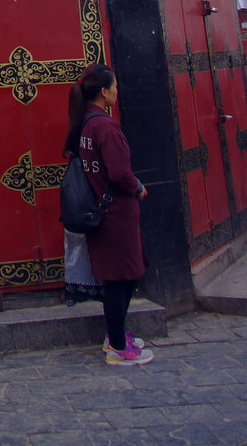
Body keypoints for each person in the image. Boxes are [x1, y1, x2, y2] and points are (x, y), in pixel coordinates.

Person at [63, 63, 154, 365]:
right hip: (116, 213)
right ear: (104, 92)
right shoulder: (105, 127)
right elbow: (120, 174)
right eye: (114, 86)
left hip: (102, 213)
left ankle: (114, 335)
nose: (117, 91)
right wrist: (138, 186)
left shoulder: (86, 124)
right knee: (120, 279)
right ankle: (117, 346)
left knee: (121, 277)